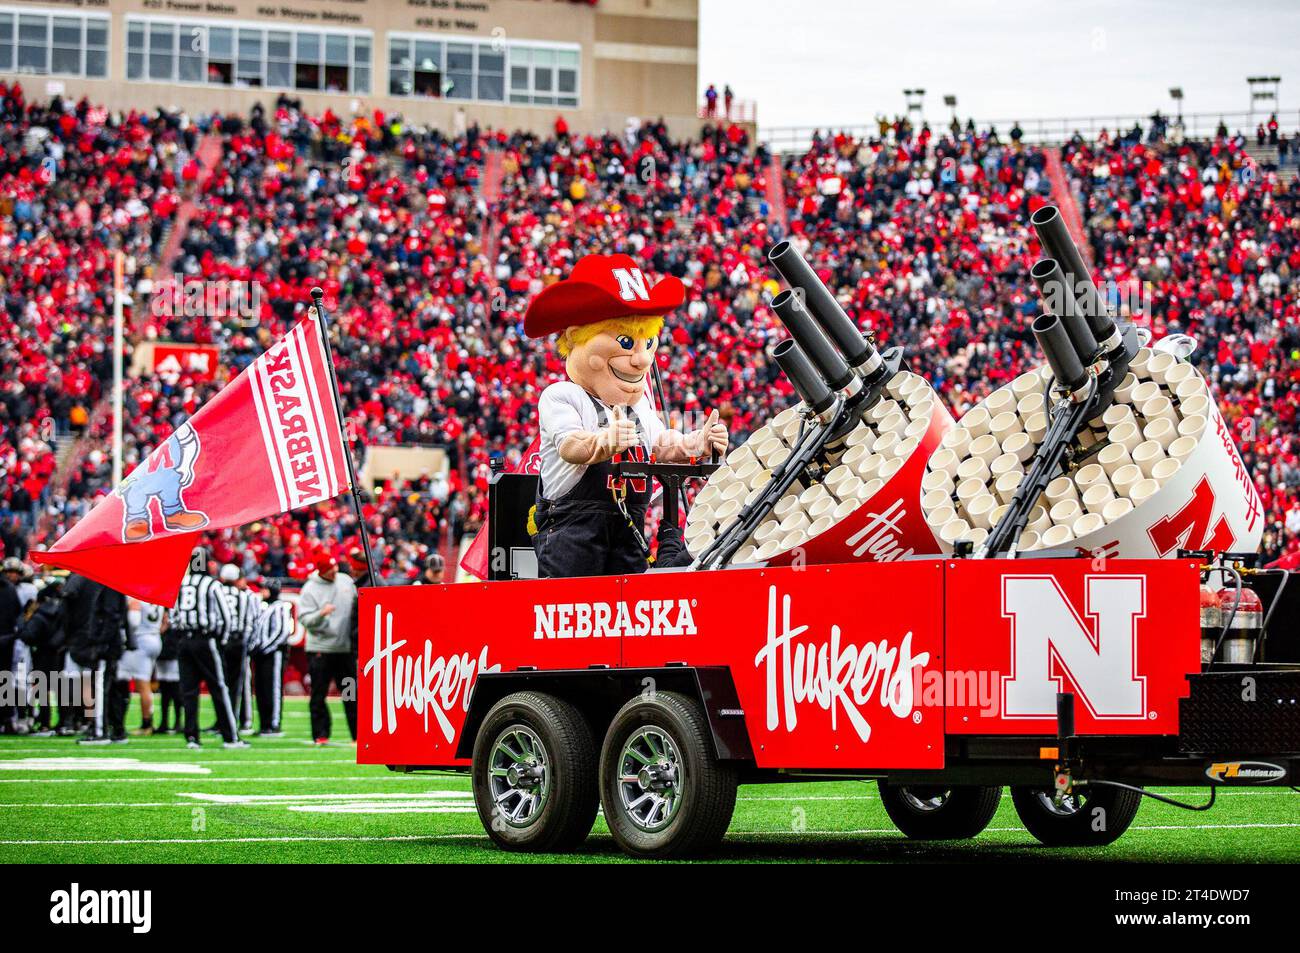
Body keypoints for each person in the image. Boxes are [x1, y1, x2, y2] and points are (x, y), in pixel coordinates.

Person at [522, 254, 728, 579]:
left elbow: (661, 445)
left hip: (628, 533)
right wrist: (604, 442)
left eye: (647, 343)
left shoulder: (639, 405)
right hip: (574, 537)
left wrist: (696, 442)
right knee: (575, 611)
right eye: (627, 343)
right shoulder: (563, 395)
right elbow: (570, 445)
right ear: (578, 337)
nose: (642, 359)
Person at [169, 547, 244, 749]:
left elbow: (173, 616)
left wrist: (181, 634)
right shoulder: (211, 584)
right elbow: (226, 617)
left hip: (185, 640)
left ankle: (192, 737)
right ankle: (230, 737)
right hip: (205, 639)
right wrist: (223, 639)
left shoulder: (181, 583)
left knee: (189, 691)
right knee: (219, 686)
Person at [62, 573, 130, 744]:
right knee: (111, 687)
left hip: (106, 646)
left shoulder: (109, 585)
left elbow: (111, 615)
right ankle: (117, 729)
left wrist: (100, 641)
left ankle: (100, 731)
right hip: (110, 643)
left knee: (101, 687)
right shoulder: (112, 583)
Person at [298, 554, 358, 745]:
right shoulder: (310, 589)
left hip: (344, 650)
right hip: (320, 650)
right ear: (322, 571)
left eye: (335, 569)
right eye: (330, 571)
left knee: (351, 693)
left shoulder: (346, 581)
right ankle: (321, 734)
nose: (335, 573)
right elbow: (304, 620)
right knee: (319, 693)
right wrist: (320, 615)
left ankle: (358, 735)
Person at [214, 564, 259, 735]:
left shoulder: (215, 592)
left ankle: (222, 721)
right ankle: (231, 721)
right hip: (238, 642)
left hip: (219, 642)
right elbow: (252, 621)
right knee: (235, 685)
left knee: (219, 683)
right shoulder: (245, 596)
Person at [17, 575, 66, 736]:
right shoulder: (62, 612)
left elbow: (27, 636)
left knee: (42, 690)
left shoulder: (39, 615)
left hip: (42, 655)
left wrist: (23, 621)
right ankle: (64, 722)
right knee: (62, 690)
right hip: (59, 655)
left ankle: (44, 723)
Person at [249, 581, 293, 736]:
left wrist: (265, 647)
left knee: (273, 688)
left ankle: (274, 724)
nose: (263, 591)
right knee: (261, 689)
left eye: (265, 589)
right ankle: (264, 723)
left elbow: (282, 631)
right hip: (262, 653)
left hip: (274, 654)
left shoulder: (281, 606)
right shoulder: (264, 606)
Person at [118, 599, 166, 734]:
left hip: (140, 639)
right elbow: (166, 620)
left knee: (137, 683)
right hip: (154, 637)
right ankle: (147, 722)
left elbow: (133, 621)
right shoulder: (157, 596)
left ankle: (146, 723)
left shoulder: (137, 597)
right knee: (145, 682)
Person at [0, 559, 22, 733]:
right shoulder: (10, 589)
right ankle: (7, 718)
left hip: (7, 640)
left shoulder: (9, 589)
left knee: (6, 680)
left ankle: (7, 717)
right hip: (7, 640)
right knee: (6, 680)